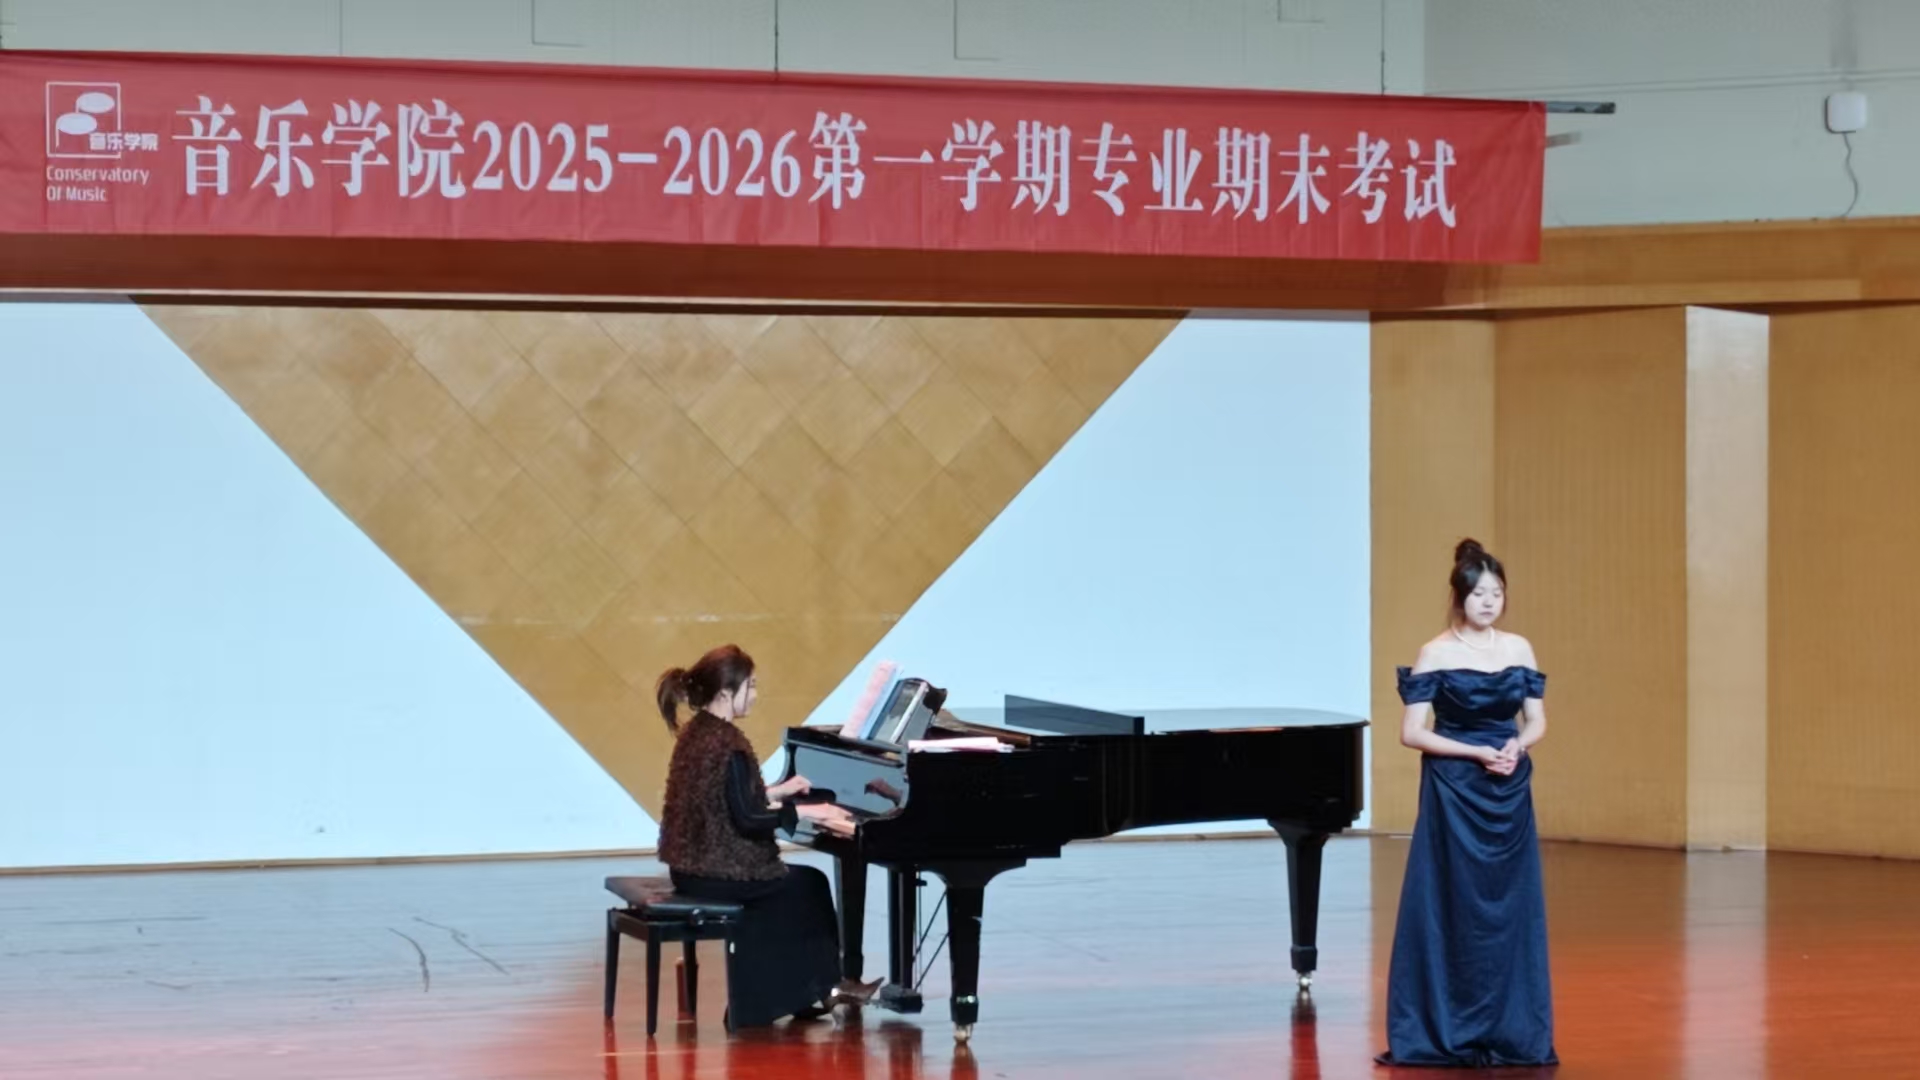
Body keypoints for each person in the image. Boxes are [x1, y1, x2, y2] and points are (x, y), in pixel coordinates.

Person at [1376, 539, 1558, 1068]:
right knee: (1451, 899)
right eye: (1479, 594)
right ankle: (1446, 1024)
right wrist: (1476, 751)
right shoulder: (1435, 652)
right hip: (1455, 787)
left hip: (1507, 785)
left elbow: (1536, 720)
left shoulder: (1519, 648)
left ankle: (1511, 1027)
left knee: (1509, 903)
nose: (1489, 602)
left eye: (1497, 593)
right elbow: (1413, 733)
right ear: (1460, 597)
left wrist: (1516, 746)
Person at [654, 644, 872, 1027]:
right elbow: (749, 819)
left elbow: (723, 800)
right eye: (750, 686)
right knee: (809, 885)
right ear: (726, 693)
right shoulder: (728, 744)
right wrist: (810, 810)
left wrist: (777, 793)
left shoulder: (700, 733)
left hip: (690, 866)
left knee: (802, 885)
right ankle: (821, 988)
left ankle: (811, 991)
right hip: (716, 871)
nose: (755, 694)